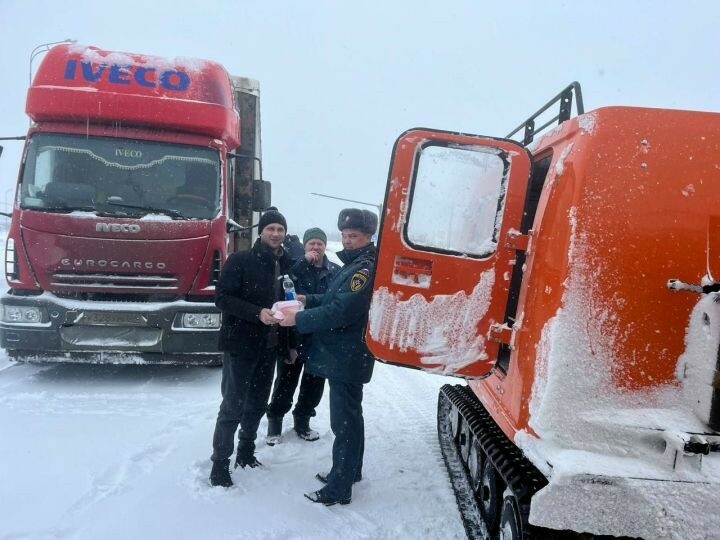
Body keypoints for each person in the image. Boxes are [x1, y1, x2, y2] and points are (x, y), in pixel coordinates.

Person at [279, 208, 378, 506]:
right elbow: (334, 298)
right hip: (345, 355)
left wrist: (298, 319)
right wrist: (307, 299)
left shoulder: (364, 269)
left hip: (346, 356)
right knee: (351, 418)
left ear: (368, 237)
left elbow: (341, 311)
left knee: (344, 423)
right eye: (345, 235)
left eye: (354, 236)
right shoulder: (354, 264)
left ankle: (339, 488)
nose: (347, 241)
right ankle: (349, 472)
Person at [209, 208, 295, 488]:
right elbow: (222, 298)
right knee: (232, 405)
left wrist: (289, 343)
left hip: (270, 347)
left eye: (280, 230)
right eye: (271, 229)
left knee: (257, 403)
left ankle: (246, 451)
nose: (275, 234)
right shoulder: (240, 260)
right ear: (261, 231)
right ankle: (220, 464)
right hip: (241, 344)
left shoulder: (287, 264)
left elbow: (290, 303)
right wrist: (256, 312)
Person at [265, 227, 340, 444]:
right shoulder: (294, 269)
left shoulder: (335, 271)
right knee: (285, 383)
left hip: (320, 340)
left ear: (325, 246)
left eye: (320, 243)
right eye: (312, 243)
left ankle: (303, 420)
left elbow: (333, 303)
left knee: (314, 385)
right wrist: (302, 262)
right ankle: (275, 422)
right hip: (293, 337)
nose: (316, 247)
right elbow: (280, 292)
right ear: (305, 246)